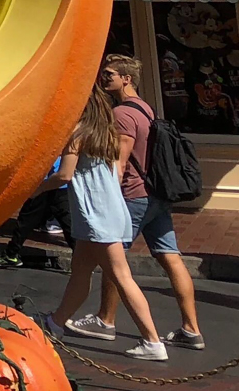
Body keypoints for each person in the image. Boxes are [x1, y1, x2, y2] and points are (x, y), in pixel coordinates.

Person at [86, 56, 204, 348]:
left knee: (115, 259)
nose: (104, 78)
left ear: (126, 79)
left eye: (110, 74)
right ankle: (191, 329)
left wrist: (108, 197)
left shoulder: (123, 114)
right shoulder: (146, 108)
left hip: (134, 195)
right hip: (156, 194)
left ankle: (105, 320)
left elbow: (121, 161)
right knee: (170, 256)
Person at [49, 88, 167, 361]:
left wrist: (35, 189)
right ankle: (55, 323)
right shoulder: (107, 135)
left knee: (122, 277)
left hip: (96, 215)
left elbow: (64, 174)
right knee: (80, 271)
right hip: (108, 210)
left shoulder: (78, 134)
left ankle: (152, 341)